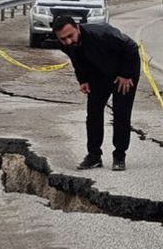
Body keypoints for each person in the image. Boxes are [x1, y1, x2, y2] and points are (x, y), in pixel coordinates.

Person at [52, 15, 140, 171]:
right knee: (93, 113)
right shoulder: (65, 43)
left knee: (121, 112)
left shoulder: (102, 33)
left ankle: (119, 156)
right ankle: (94, 156)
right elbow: (77, 60)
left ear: (77, 27)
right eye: (63, 39)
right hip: (99, 74)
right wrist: (83, 80)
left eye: (70, 36)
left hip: (124, 71)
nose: (68, 42)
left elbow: (131, 47)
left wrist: (126, 74)